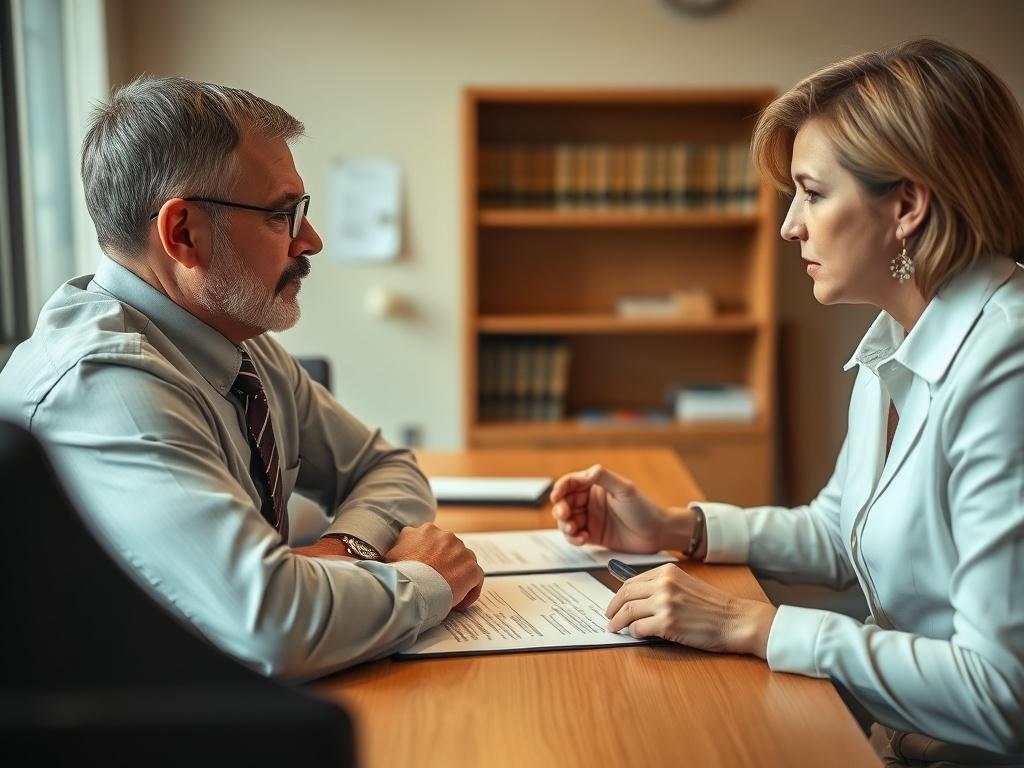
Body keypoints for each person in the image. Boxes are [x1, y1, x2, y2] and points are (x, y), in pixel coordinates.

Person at [551, 39, 1024, 765]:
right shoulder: (900, 333)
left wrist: (753, 626)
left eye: (813, 191)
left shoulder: (1008, 365)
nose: (789, 225)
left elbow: (1002, 695)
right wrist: (675, 526)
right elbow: (843, 532)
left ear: (906, 204)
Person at [0, 76, 483, 680]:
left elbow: (387, 467)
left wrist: (342, 552)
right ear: (182, 233)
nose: (311, 240)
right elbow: (273, 626)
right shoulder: (105, 385)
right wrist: (426, 581)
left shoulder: (233, 340)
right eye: (284, 214)